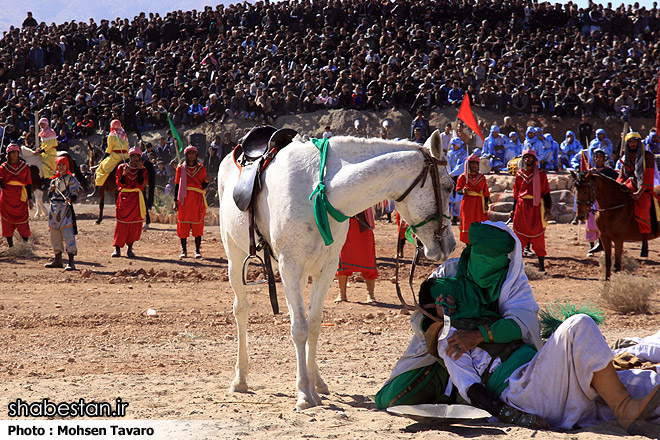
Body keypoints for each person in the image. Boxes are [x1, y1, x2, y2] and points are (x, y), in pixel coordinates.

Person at [375, 222, 541, 423]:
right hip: (444, 355)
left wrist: (477, 335)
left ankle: (480, 397)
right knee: (392, 398)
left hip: (495, 356)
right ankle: (470, 393)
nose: (484, 264)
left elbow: (523, 323)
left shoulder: (513, 283)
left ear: (506, 260)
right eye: (480, 256)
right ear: (470, 250)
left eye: (492, 259)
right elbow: (422, 319)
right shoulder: (448, 273)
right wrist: (440, 314)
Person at [617, 132, 660, 258]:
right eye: (630, 142)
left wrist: (638, 193)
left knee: (644, 206)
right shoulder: (625, 157)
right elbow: (621, 175)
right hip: (628, 185)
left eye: (634, 141)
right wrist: (617, 187)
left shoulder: (648, 156)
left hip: (643, 188)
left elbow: (648, 176)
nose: (632, 144)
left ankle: (645, 239)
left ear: (639, 142)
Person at [510, 149, 552, 272]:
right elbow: (516, 194)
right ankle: (517, 267)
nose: (528, 160)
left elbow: (546, 192)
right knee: (519, 235)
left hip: (536, 207)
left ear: (534, 159)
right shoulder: (519, 174)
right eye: (526, 157)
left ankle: (541, 267)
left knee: (538, 235)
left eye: (530, 157)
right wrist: (513, 210)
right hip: (521, 207)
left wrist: (548, 209)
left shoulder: (541, 174)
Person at [334, 208, 378, 304]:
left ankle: (370, 294)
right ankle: (342, 294)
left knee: (367, 258)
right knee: (343, 257)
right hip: (343, 221)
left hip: (363, 222)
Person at [45, 156, 80, 271]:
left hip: (65, 209)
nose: (61, 167)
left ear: (67, 166)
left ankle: (71, 261)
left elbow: (74, 193)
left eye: (63, 165)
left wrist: (70, 198)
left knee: (68, 233)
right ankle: (58, 259)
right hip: (54, 209)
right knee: (54, 233)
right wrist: (50, 191)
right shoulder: (54, 180)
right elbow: (50, 196)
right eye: (59, 165)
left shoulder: (71, 179)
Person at [174, 146, 208, 259]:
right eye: (189, 153)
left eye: (193, 153)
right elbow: (177, 186)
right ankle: (184, 250)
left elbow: (202, 186)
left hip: (197, 200)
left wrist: (207, 181)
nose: (191, 155)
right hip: (184, 200)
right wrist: (175, 201)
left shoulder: (201, 168)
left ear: (196, 155)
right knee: (183, 226)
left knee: (197, 226)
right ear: (186, 155)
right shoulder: (180, 169)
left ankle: (197, 250)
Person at [112, 147, 146, 258]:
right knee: (121, 223)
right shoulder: (122, 167)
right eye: (133, 156)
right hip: (124, 198)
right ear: (129, 156)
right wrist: (124, 174)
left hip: (136, 198)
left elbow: (141, 183)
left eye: (137, 156)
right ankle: (117, 248)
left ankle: (130, 248)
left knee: (134, 224)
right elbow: (120, 183)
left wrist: (140, 169)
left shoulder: (143, 169)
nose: (135, 158)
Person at [585, 148, 618, 256]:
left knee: (604, 225)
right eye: (596, 157)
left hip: (604, 202)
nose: (597, 159)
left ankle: (603, 247)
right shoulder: (589, 172)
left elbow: (616, 183)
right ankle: (591, 247)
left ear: (603, 159)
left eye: (600, 157)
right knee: (591, 224)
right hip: (592, 202)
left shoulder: (609, 172)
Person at [0, 143, 33, 247]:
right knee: (6, 222)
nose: (14, 155)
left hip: (20, 197)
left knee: (23, 221)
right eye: (11, 153)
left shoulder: (25, 167)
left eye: (15, 152)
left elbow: (28, 183)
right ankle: (11, 246)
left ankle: (25, 245)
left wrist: (30, 198)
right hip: (7, 197)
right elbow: (1, 182)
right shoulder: (3, 167)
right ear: (8, 154)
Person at [456, 154, 490, 244]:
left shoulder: (482, 177)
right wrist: (463, 191)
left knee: (479, 221)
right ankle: (468, 242)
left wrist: (486, 204)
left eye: (476, 164)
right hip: (468, 203)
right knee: (468, 222)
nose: (474, 166)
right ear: (468, 164)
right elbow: (457, 190)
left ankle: (478, 241)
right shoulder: (463, 177)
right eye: (472, 164)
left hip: (479, 203)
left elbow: (485, 192)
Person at [95, 119, 130, 188]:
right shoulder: (123, 134)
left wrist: (103, 159)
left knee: (101, 169)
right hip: (126, 156)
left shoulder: (112, 135)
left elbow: (109, 150)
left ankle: (98, 187)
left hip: (115, 156)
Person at [447, 137, 467, 224]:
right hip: (449, 176)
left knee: (458, 198)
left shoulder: (464, 154)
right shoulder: (449, 154)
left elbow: (462, 166)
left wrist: (453, 173)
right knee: (448, 197)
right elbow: (447, 164)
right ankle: (447, 217)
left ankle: (455, 218)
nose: (453, 146)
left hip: (458, 177)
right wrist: (448, 174)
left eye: (454, 145)